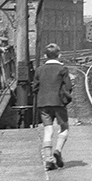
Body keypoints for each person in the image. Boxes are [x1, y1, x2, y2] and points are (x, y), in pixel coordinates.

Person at [33, 43, 73, 171]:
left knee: (48, 130)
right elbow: (68, 87)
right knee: (64, 127)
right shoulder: (62, 69)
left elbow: (35, 87)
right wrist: (65, 98)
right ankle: (58, 150)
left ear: (45, 56)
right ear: (59, 55)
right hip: (59, 103)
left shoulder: (39, 70)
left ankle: (48, 159)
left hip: (43, 103)